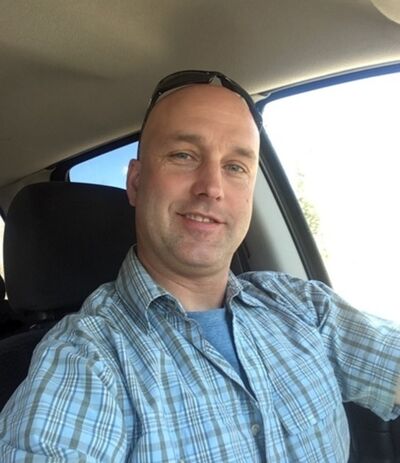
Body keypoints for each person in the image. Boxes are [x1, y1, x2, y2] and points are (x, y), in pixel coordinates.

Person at [0, 70, 399, 462]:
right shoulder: (85, 357)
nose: (212, 187)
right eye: (183, 155)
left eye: (235, 166)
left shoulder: (305, 306)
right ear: (136, 182)